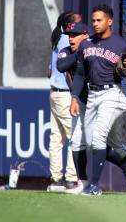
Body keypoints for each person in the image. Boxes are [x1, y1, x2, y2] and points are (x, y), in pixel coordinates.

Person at [57, 21, 126, 195]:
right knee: (80, 142)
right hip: (83, 104)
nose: (71, 39)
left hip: (105, 101)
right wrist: (83, 50)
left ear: (85, 35)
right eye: (69, 36)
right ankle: (85, 183)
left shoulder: (96, 49)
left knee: (112, 144)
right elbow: (61, 66)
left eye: (75, 35)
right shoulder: (70, 52)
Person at [47, 11, 81, 193]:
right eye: (78, 23)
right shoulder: (67, 41)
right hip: (65, 95)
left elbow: (49, 71)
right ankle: (71, 178)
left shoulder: (56, 40)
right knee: (74, 136)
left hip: (54, 93)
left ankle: (55, 179)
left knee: (56, 138)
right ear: (70, 26)